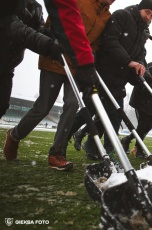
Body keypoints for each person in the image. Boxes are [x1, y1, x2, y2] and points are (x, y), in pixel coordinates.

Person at [3, 0, 115, 170]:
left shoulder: (107, 16)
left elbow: (96, 43)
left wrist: (89, 62)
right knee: (43, 106)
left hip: (78, 64)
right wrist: (52, 42)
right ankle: (15, 135)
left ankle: (57, 152)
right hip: (56, 57)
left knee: (72, 104)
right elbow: (57, 18)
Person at [68, 0, 152, 161]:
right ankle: (64, 137)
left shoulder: (142, 32)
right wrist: (129, 62)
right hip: (101, 75)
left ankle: (109, 150)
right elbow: (110, 41)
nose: (149, 17)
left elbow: (140, 56)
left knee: (115, 116)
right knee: (88, 112)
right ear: (140, 9)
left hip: (118, 81)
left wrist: (142, 70)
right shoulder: (122, 15)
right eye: (147, 12)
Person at [0, 0, 64, 119]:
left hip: (7, 67)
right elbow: (17, 29)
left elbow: (39, 30)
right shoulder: (9, 4)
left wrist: (54, 33)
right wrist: (49, 46)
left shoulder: (36, 8)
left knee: (2, 105)